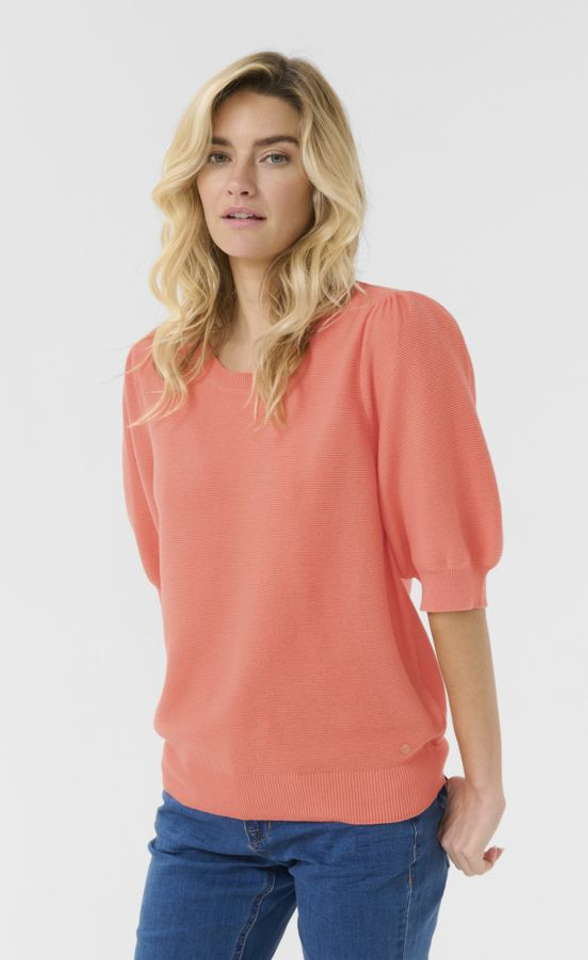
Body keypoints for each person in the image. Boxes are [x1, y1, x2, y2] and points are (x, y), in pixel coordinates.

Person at [122, 50, 506, 960]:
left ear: (320, 178)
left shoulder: (393, 335)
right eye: (218, 155)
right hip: (203, 804)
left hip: (370, 815)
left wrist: (484, 781)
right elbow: (173, 574)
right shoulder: (157, 368)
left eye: (276, 155)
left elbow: (452, 574)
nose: (240, 182)